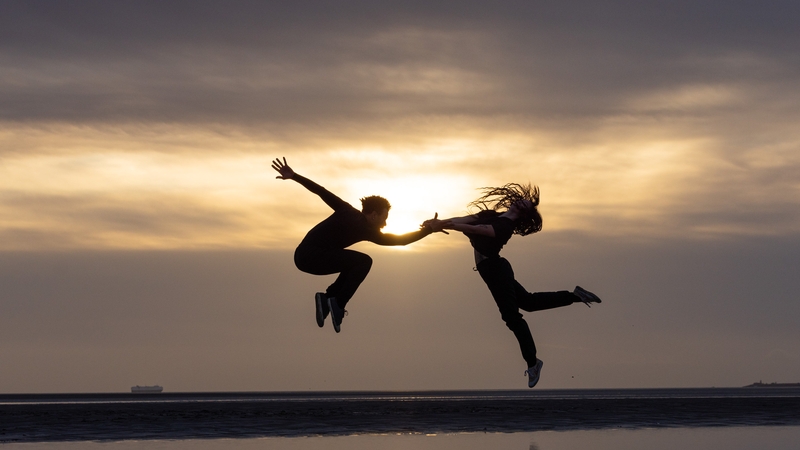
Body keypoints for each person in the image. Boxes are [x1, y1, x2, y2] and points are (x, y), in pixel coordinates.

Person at [437, 183, 602, 388]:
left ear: (524, 213)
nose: (523, 199)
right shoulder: (491, 214)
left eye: (528, 204)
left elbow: (476, 229)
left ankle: (533, 363)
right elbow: (463, 220)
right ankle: (576, 296)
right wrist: (440, 223)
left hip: (496, 270)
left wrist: (448, 227)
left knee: (512, 317)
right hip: (493, 270)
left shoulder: (505, 228)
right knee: (529, 302)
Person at [272, 157, 445, 333]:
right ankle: (336, 302)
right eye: (384, 218)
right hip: (311, 255)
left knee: (355, 263)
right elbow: (400, 241)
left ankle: (328, 300)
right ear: (374, 215)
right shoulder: (366, 229)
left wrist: (294, 176)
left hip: (302, 257)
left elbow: (321, 191)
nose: (385, 224)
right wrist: (429, 230)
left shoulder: (347, 210)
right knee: (363, 262)